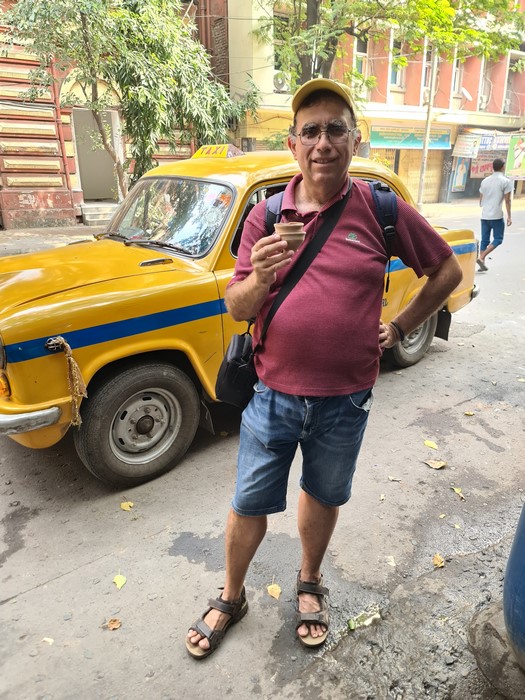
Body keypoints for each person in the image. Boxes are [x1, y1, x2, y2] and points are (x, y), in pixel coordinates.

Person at [185, 78, 462, 659]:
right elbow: (236, 310)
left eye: (335, 129)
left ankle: (309, 580)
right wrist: (259, 276)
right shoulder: (265, 216)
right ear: (293, 145)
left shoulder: (382, 209)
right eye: (310, 131)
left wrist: (403, 324)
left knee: (323, 494)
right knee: (248, 503)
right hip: (273, 395)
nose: (322, 142)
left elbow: (444, 271)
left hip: (346, 399)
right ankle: (232, 595)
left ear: (354, 141)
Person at [477, 158, 512, 271]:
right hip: (496, 215)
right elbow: (507, 201)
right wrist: (509, 216)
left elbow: (481, 199)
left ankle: (482, 263)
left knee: (485, 240)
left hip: (485, 215)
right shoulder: (506, 181)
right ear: (503, 167)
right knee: (498, 239)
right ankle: (482, 257)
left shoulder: (485, 181)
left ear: (493, 167)